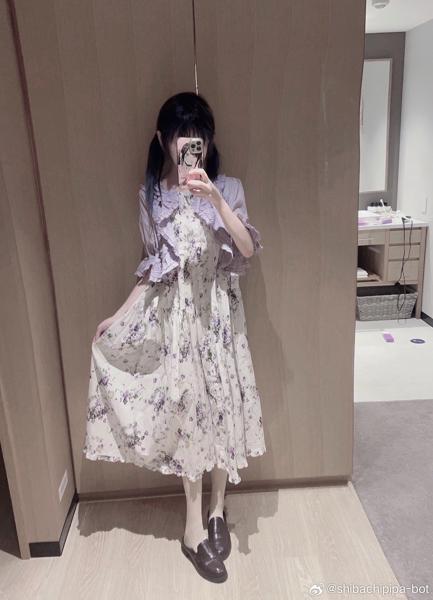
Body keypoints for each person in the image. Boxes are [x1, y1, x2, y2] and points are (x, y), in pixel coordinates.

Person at [82, 92, 267, 583]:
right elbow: (153, 268)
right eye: (183, 137)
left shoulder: (227, 187)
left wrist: (214, 200)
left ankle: (217, 510)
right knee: (189, 416)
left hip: (221, 319)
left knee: (222, 409)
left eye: (200, 137)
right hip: (178, 324)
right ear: (163, 140)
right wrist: (118, 316)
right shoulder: (153, 196)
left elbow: (247, 248)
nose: (192, 146)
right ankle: (192, 529)